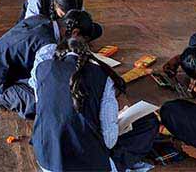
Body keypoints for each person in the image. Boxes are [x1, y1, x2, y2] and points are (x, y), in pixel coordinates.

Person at [30, 27, 158, 172]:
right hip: (88, 165)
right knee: (148, 122)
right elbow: (109, 141)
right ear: (89, 55)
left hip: (46, 160)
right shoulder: (101, 77)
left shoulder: (42, 69)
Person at [0, 10, 101, 119]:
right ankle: (2, 98)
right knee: (45, 104)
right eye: (83, 40)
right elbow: (39, 84)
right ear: (75, 33)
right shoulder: (47, 46)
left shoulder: (40, 19)